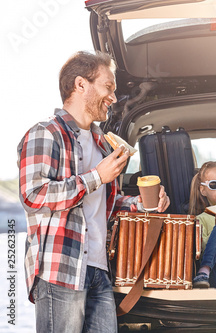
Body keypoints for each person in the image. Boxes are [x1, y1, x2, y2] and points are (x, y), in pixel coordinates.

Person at [17, 51, 170, 333]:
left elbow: (106, 204)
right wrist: (96, 176)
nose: (113, 97)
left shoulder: (102, 143)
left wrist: (144, 204)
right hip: (61, 269)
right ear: (80, 85)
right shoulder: (46, 133)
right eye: (108, 87)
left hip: (100, 270)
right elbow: (34, 195)